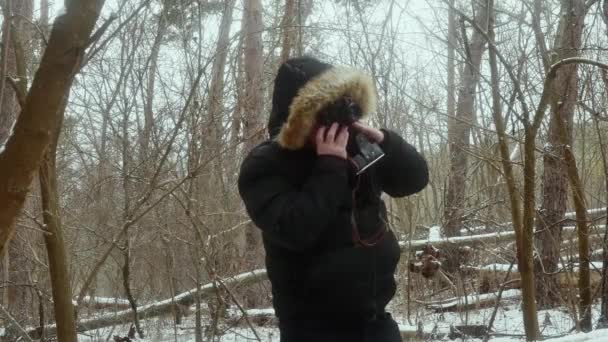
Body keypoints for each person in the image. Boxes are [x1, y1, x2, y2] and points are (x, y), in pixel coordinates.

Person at [237, 56, 429, 342]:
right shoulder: (266, 164)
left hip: (374, 319)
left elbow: (414, 180)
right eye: (322, 112)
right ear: (297, 117)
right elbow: (294, 229)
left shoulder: (357, 143)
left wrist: (387, 142)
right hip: (311, 327)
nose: (336, 123)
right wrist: (330, 166)